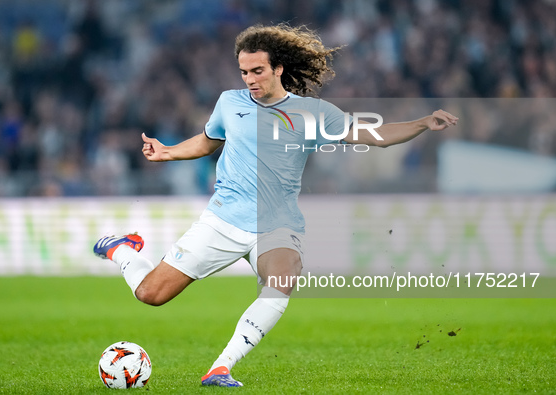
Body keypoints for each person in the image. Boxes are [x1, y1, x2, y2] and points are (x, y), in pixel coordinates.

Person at [93, 24, 458, 387]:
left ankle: (221, 368)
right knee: (151, 295)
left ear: (278, 68)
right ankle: (122, 249)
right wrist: (168, 152)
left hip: (277, 224)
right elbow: (208, 142)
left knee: (283, 277)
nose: (249, 79)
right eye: (244, 72)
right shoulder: (229, 103)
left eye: (257, 71)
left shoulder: (312, 114)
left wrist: (423, 123)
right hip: (223, 219)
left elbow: (373, 136)